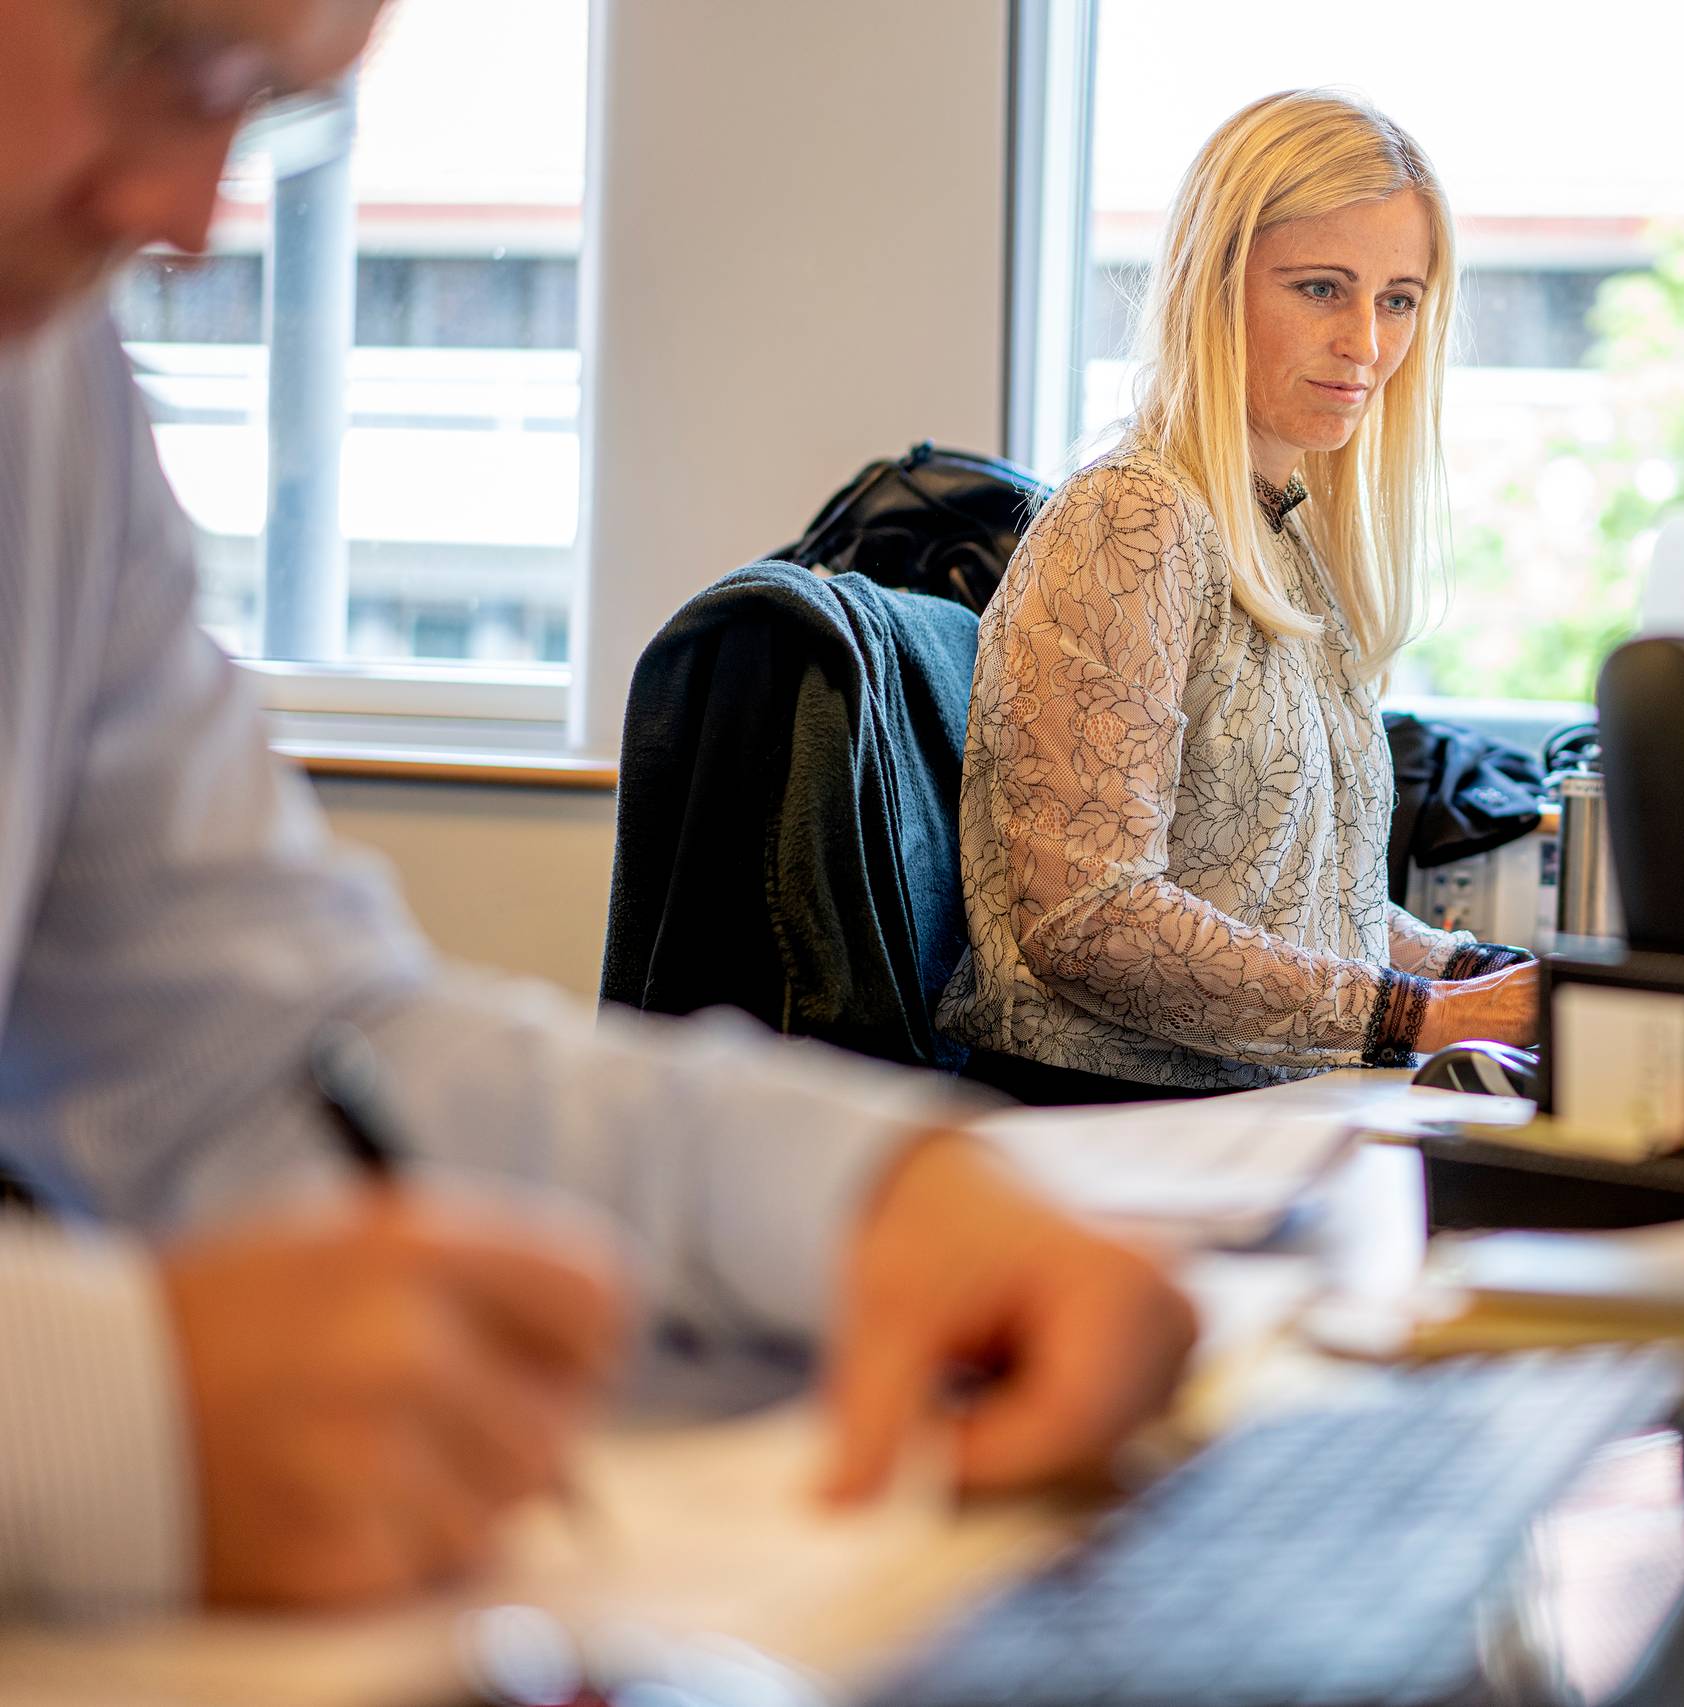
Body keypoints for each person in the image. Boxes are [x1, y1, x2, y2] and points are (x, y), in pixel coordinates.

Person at [0, 0, 1193, 1617]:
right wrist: (104, 1418)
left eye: (264, 111)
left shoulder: (46, 395)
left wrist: (879, 1193)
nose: (190, 221)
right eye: (165, 63)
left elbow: (274, 1062)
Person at [937, 92, 1541, 1104]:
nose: (1367, 343)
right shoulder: (1130, 518)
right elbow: (1088, 916)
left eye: (1398, 299)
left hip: (1261, 1105)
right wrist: (1412, 1016)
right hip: (1119, 1128)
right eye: (1320, 289)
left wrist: (1473, 975)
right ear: (1212, 285)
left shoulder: (1281, 528)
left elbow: (1290, 901)